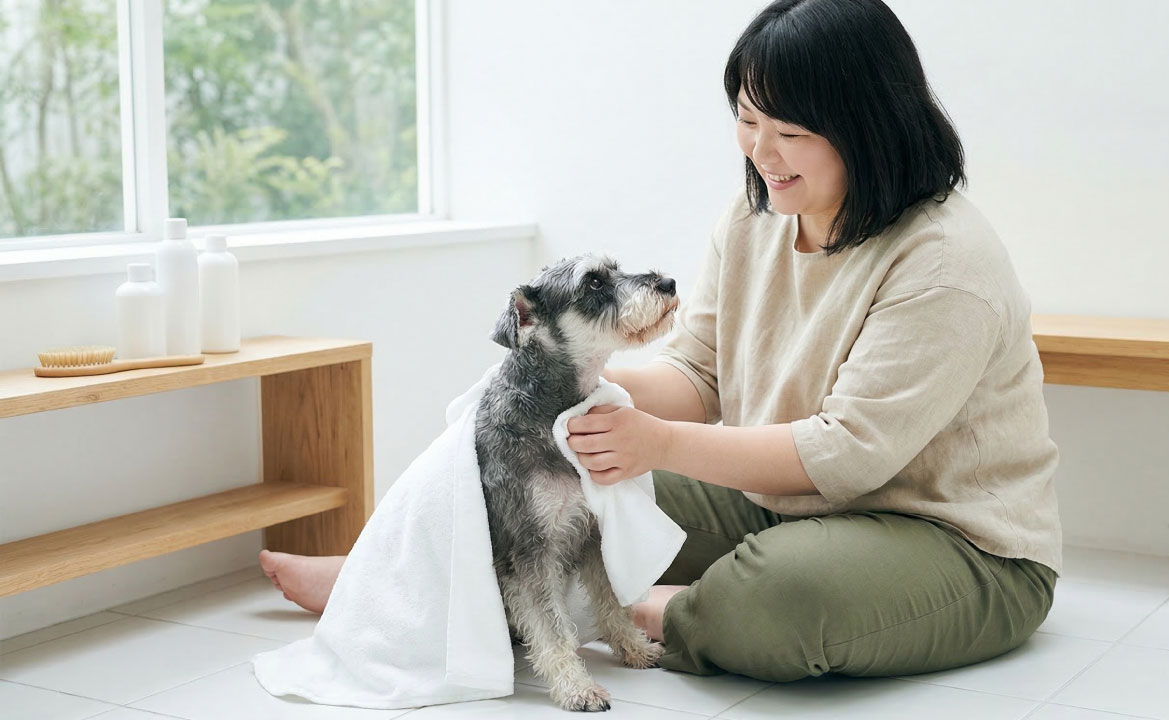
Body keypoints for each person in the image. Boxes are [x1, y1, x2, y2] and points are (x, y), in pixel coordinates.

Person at [261, 0, 1061, 682]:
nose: (761, 152)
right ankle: (387, 580)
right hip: (783, 504)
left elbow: (848, 454)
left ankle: (655, 608)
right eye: (748, 121)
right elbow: (698, 373)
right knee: (534, 476)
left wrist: (654, 443)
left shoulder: (945, 263)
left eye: (790, 132)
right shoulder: (758, 217)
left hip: (953, 543)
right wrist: (562, 385)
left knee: (778, 598)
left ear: (868, 125)